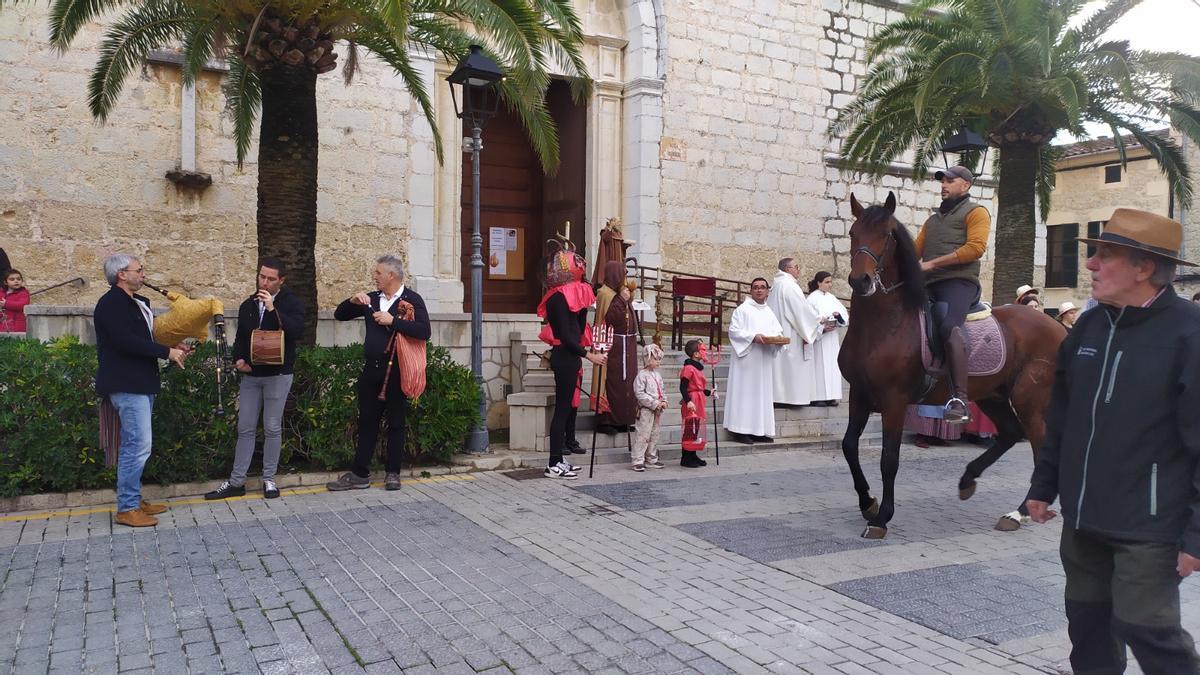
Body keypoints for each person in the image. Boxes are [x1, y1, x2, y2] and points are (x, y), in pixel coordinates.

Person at [1025, 208, 1200, 673]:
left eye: (1106, 254)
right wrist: (1043, 487)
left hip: (1150, 527)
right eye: (1093, 253)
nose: (1090, 264)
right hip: (1083, 521)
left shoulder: (1190, 333)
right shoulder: (1088, 326)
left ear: (1144, 268)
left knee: (1148, 630)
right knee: (1088, 629)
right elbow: (1061, 416)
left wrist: (1196, 536)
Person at [94, 254, 189, 527]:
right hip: (126, 383)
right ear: (122, 274)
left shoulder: (139, 303)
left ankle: (133, 498)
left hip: (142, 381)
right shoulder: (111, 303)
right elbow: (125, 342)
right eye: (139, 270)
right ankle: (127, 507)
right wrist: (165, 352)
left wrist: (174, 347)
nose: (143, 274)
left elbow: (147, 338)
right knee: (137, 446)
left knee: (137, 445)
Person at [327, 255, 430, 491]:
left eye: (378, 273)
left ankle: (393, 473)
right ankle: (359, 474)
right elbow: (340, 315)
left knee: (396, 423)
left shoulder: (411, 299)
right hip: (371, 372)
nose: (374, 276)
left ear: (391, 275)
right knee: (367, 423)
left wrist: (392, 320)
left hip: (397, 373)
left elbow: (424, 331)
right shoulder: (371, 298)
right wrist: (352, 301)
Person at [206, 258, 305, 501]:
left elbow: (296, 331)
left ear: (281, 280)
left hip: (278, 375)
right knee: (246, 427)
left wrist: (273, 309)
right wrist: (239, 359)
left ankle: (269, 479)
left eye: (271, 278)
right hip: (252, 376)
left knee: (272, 427)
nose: (265, 282)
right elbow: (241, 336)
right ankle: (237, 480)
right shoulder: (248, 304)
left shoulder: (291, 303)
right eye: (262, 276)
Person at [914, 165, 991, 423]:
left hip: (959, 282)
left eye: (949, 181)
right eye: (942, 181)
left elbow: (976, 248)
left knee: (949, 326)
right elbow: (914, 253)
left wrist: (933, 264)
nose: (943, 185)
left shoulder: (977, 212)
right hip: (928, 283)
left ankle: (959, 398)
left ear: (965, 185)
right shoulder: (932, 221)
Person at [537, 241, 605, 479]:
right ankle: (553, 462)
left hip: (570, 357)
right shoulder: (556, 299)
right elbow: (566, 336)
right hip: (565, 357)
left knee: (565, 410)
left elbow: (577, 328)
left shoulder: (568, 295)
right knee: (562, 410)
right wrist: (589, 355)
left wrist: (584, 300)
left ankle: (558, 459)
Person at [723, 278, 785, 442]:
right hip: (747, 361)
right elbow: (734, 331)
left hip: (763, 360)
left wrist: (778, 339)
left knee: (761, 394)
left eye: (762, 288)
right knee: (745, 394)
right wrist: (752, 337)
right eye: (755, 287)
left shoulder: (768, 311)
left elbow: (778, 331)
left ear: (767, 291)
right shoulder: (742, 310)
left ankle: (759, 430)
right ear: (751, 291)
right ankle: (740, 430)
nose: (759, 290)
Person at [765, 258, 822, 406]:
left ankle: (779, 397)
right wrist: (817, 321)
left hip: (780, 331)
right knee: (790, 365)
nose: (798, 270)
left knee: (780, 367)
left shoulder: (777, 285)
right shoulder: (789, 286)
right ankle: (791, 398)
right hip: (791, 333)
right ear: (788, 269)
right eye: (796, 267)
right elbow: (800, 311)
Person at [594, 264, 637, 434]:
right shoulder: (605, 294)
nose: (624, 279)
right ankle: (607, 420)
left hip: (627, 345)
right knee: (612, 382)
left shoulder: (616, 293)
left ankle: (622, 419)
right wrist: (621, 300)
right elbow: (611, 318)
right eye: (622, 275)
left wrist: (628, 299)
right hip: (612, 345)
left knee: (626, 382)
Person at [806, 271, 849, 406]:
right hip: (820, 338)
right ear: (819, 283)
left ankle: (831, 395)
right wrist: (822, 327)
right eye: (826, 282)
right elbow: (808, 318)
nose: (829, 285)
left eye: (830, 282)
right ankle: (818, 397)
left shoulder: (831, 298)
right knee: (819, 366)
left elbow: (844, 316)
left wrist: (838, 317)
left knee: (831, 366)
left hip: (832, 338)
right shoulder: (812, 298)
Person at [630, 343, 667, 472]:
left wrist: (663, 401)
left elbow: (661, 389)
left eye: (659, 359)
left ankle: (651, 458)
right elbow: (639, 393)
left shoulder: (657, 375)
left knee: (654, 434)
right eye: (655, 359)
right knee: (643, 434)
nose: (658, 362)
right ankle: (637, 460)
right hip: (646, 410)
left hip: (657, 410)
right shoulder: (641, 375)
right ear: (647, 359)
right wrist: (654, 403)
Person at [679, 339, 712, 467]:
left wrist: (709, 392)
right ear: (696, 354)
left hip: (699, 398)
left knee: (696, 429)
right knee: (689, 430)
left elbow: (700, 387)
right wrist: (688, 401)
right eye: (702, 350)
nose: (704, 353)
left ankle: (693, 454)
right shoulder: (688, 368)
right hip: (692, 400)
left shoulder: (697, 369)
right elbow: (683, 387)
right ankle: (686, 458)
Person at [1, 269, 29, 333]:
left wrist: (6, 304)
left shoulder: (23, 293)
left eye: (18, 279)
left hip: (17, 324)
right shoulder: (1, 292)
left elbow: (22, 305)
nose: (16, 281)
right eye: (12, 279)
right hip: (3, 324)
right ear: (5, 282)